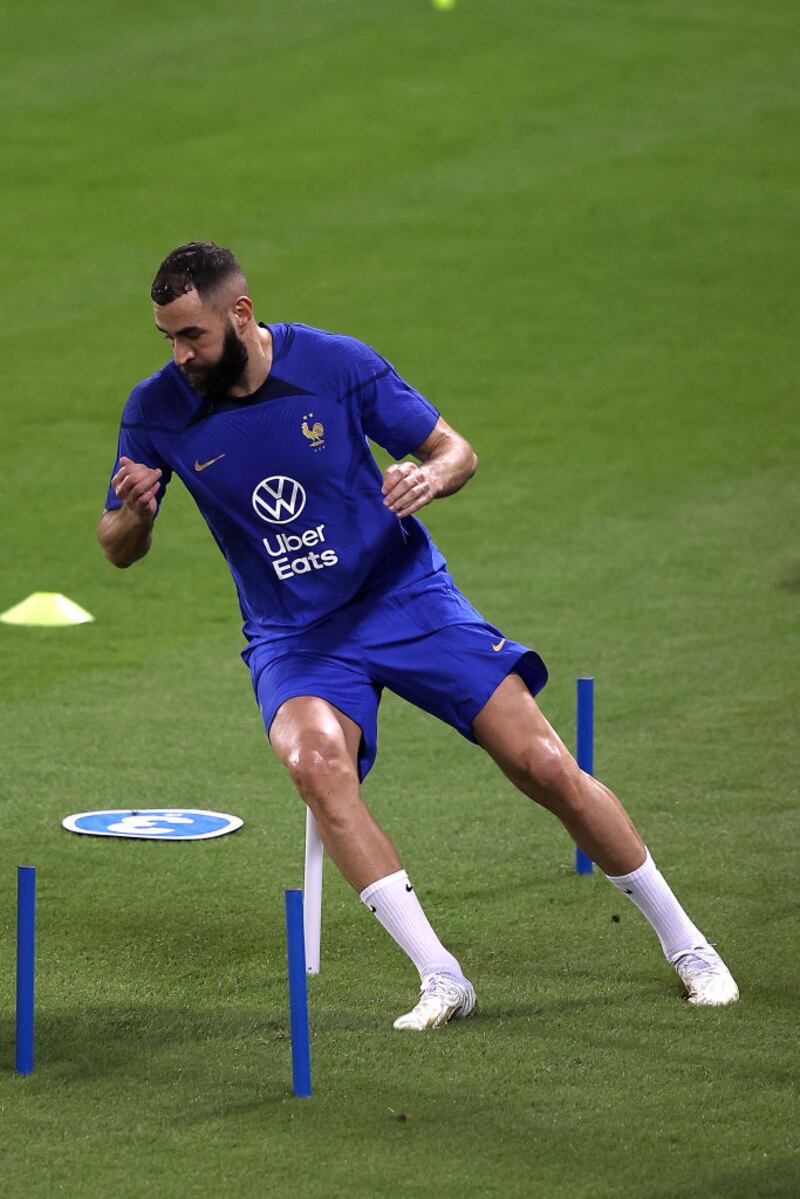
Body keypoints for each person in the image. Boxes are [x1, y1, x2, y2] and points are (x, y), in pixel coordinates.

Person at [98, 242, 738, 1029]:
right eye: (166, 337)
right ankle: (442, 977)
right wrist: (135, 515)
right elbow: (116, 547)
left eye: (190, 335)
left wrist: (430, 476)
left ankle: (689, 946)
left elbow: (453, 448)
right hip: (294, 634)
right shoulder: (156, 407)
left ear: (240, 314)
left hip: (405, 598)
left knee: (541, 763)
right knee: (314, 762)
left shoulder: (335, 364)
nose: (179, 354)